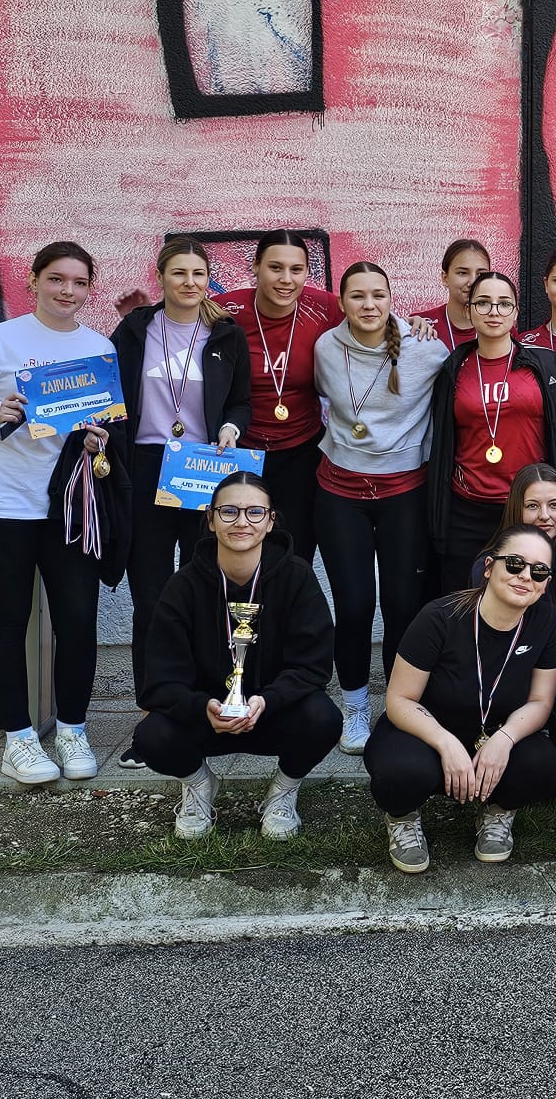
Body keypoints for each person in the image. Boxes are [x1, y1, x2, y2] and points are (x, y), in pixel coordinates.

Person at [0, 240, 117, 785]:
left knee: (78, 622)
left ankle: (71, 729)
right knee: (7, 621)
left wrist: (97, 438)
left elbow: (104, 424)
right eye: (57, 279)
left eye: (79, 282)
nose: (68, 291)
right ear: (34, 280)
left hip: (70, 508)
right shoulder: (0, 339)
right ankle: (19, 740)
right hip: (2, 504)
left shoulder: (99, 349)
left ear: (89, 289)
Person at [132, 473, 343, 840]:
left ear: (270, 521)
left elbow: (313, 666)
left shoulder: (296, 577)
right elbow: (161, 681)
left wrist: (268, 700)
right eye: (229, 511)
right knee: (151, 735)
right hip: (207, 719)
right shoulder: (183, 586)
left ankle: (283, 791)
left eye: (254, 512)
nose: (242, 522)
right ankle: (199, 783)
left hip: (271, 715)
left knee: (324, 718)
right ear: (211, 520)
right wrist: (202, 707)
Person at [112, 237, 252, 765]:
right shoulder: (134, 331)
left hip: (201, 468)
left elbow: (241, 400)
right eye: (179, 273)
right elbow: (110, 395)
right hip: (146, 466)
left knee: (208, 591)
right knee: (150, 599)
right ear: (161, 277)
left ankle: (212, 707)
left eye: (198, 274)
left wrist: (232, 427)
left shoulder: (226, 334)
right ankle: (154, 716)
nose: (189, 283)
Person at [365, 526, 556, 871]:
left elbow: (540, 701)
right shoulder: (439, 617)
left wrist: (505, 739)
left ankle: (498, 811)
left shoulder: (548, 621)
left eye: (538, 571)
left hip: (495, 731)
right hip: (426, 733)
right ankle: (402, 817)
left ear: (546, 582)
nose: (525, 576)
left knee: (543, 766)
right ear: (489, 567)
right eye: (514, 564)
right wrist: (445, 742)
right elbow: (399, 700)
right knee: (400, 771)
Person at [312, 261, 449, 754]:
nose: (369, 305)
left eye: (378, 295)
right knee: (352, 606)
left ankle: (398, 706)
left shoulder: (427, 348)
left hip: (403, 494)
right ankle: (354, 707)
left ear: (392, 299)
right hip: (340, 493)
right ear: (342, 302)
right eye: (357, 296)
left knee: (402, 607)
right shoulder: (325, 347)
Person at [427, 271, 556, 585]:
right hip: (469, 509)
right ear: (469, 310)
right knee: (466, 597)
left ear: (515, 312)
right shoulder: (453, 368)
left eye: (504, 304)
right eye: (483, 303)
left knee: (531, 594)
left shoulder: (544, 364)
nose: (493, 311)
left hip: (530, 507)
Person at [217, 231, 343, 568]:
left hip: (301, 452)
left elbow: (373, 315)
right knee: (239, 557)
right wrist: (140, 316)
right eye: (275, 267)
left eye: (296, 270)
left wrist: (414, 325)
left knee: (294, 557)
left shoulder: (325, 307)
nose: (286, 279)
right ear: (255, 266)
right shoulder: (226, 308)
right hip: (240, 451)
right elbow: (176, 323)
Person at [487, 462, 556, 580]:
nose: (544, 516)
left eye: (554, 505)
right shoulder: (491, 564)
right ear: (516, 508)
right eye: (532, 506)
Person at [419, 238, 491, 350]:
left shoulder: (500, 327)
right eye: (462, 273)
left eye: (481, 274)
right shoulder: (421, 324)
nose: (472, 281)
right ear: (445, 278)